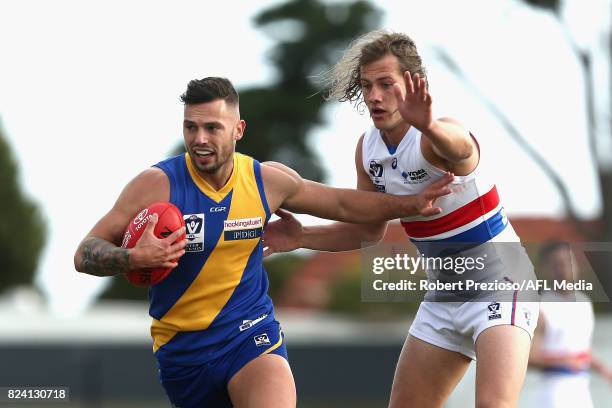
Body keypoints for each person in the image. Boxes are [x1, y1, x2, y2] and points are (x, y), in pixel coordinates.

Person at [73, 77, 454, 408]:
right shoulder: (156, 185)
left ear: (238, 129)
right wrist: (132, 256)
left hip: (250, 334)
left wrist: (410, 203)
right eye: (191, 128)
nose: (200, 139)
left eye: (212, 128)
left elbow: (341, 202)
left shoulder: (266, 181)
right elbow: (85, 252)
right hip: (183, 354)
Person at [262, 30, 540, 407]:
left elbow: (461, 149)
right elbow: (365, 229)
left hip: (502, 284)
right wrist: (301, 238)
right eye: (367, 86)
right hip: (443, 297)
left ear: (412, 85)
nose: (374, 96)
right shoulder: (368, 149)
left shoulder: (436, 135)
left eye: (386, 84)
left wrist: (428, 125)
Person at [529, 241, 612, 408]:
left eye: (568, 261)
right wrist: (565, 360)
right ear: (545, 269)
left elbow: (581, 349)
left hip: (582, 393)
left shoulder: (584, 303)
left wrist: (604, 369)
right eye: (556, 264)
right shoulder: (541, 308)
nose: (564, 268)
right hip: (552, 396)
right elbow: (528, 358)